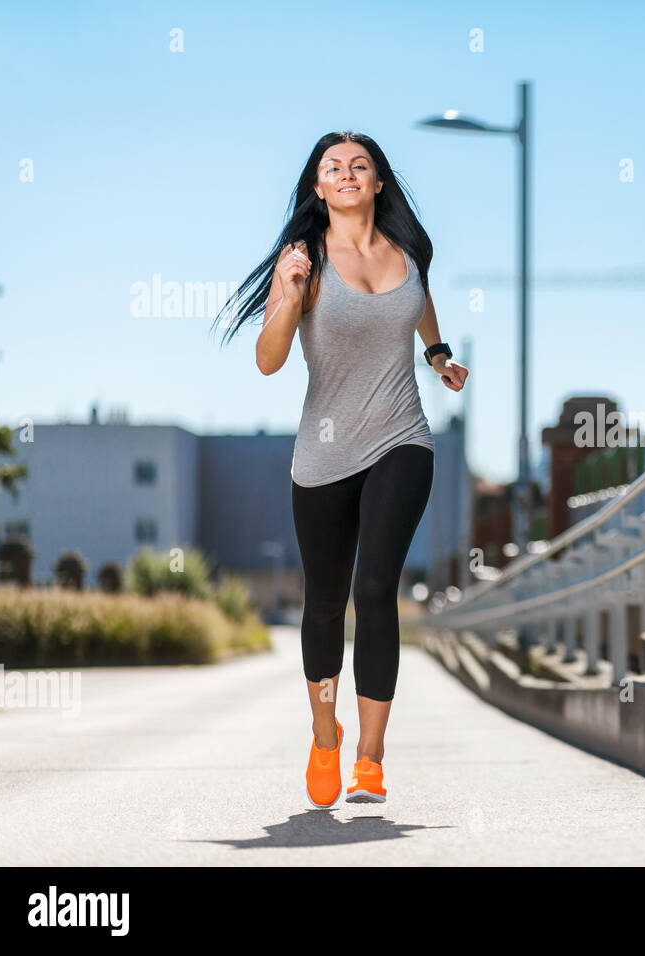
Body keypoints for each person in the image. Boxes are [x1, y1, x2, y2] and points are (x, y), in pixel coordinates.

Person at [216, 131, 468, 807]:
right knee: (326, 604)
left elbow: (418, 301)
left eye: (361, 165)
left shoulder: (408, 252)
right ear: (319, 188)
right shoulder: (302, 260)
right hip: (324, 453)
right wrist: (291, 294)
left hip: (401, 439)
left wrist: (438, 354)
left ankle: (370, 757)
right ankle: (324, 732)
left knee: (377, 585)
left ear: (379, 182)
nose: (348, 173)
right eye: (334, 168)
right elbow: (269, 360)